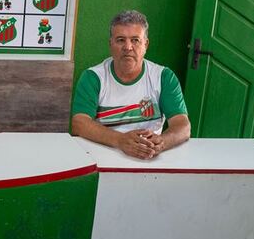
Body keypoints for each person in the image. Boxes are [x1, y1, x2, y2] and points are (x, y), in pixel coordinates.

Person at [70, 10, 190, 159]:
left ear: (145, 44)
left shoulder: (163, 77)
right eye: (121, 40)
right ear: (110, 44)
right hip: (102, 156)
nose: (128, 47)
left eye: (135, 40)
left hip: (149, 157)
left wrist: (162, 142)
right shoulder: (93, 77)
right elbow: (79, 123)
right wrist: (120, 140)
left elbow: (183, 126)